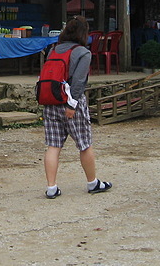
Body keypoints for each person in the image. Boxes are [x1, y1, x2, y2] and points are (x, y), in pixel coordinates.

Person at [42, 16, 111, 199]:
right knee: (84, 144)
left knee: (53, 146)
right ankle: (92, 183)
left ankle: (51, 187)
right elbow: (79, 82)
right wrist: (72, 105)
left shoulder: (53, 50)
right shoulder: (83, 52)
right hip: (71, 104)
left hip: (51, 102)